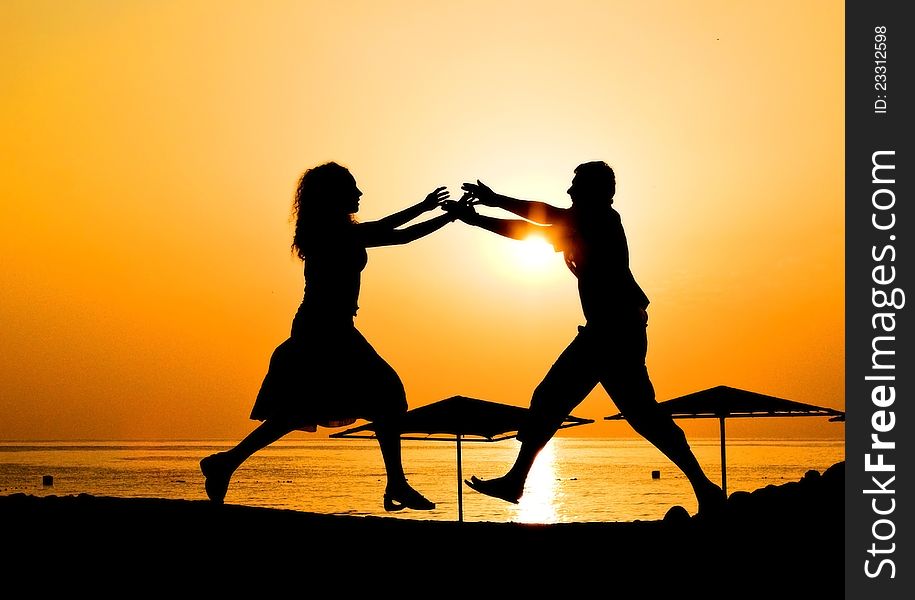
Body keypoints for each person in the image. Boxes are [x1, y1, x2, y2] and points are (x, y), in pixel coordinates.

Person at [446, 161, 726, 516]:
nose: (569, 191)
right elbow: (536, 227)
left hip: (614, 330)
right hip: (611, 330)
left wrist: (489, 204)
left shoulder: (601, 220)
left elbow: (542, 219)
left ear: (594, 190)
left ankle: (516, 480)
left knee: (566, 399)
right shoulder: (582, 226)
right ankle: (706, 489)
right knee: (632, 413)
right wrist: (485, 210)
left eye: (576, 185)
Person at [201, 161, 458, 512]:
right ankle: (396, 483)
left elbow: (384, 230)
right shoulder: (331, 233)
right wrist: (448, 215)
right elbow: (393, 233)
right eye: (352, 187)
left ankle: (225, 463)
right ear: (334, 195)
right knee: (387, 397)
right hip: (324, 330)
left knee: (296, 412)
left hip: (330, 328)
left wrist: (428, 208)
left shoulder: (334, 230)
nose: (360, 193)